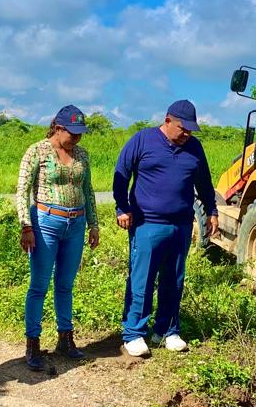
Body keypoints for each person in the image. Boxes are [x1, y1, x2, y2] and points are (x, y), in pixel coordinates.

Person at [113, 100, 219, 358]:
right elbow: (121, 174)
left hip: (181, 226)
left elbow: (204, 183)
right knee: (142, 280)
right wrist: (122, 207)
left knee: (174, 280)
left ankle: (167, 330)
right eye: (183, 128)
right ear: (168, 120)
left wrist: (212, 211)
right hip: (147, 224)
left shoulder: (194, 148)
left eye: (191, 130)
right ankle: (134, 333)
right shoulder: (142, 140)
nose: (187, 134)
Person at [16, 105, 100, 371]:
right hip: (46, 223)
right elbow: (22, 191)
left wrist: (93, 224)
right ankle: (33, 343)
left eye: (80, 133)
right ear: (58, 128)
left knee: (65, 284)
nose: (76, 138)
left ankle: (65, 338)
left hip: (75, 224)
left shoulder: (82, 154)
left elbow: (88, 190)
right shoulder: (37, 151)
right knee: (39, 285)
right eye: (72, 133)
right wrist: (26, 226)